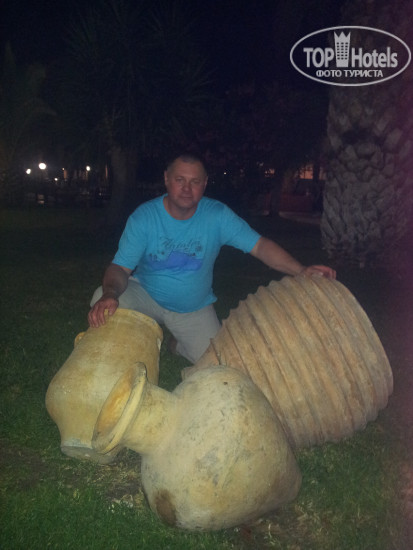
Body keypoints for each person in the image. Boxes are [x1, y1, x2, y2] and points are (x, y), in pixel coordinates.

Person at [88, 153, 336, 363]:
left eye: (195, 182)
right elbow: (120, 268)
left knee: (219, 364)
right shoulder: (144, 217)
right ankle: (127, 349)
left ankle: (177, 344)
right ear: (166, 179)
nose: (187, 189)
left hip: (193, 308)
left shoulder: (217, 215)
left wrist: (301, 270)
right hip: (147, 295)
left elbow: (260, 246)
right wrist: (110, 293)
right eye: (180, 180)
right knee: (103, 299)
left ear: (205, 184)